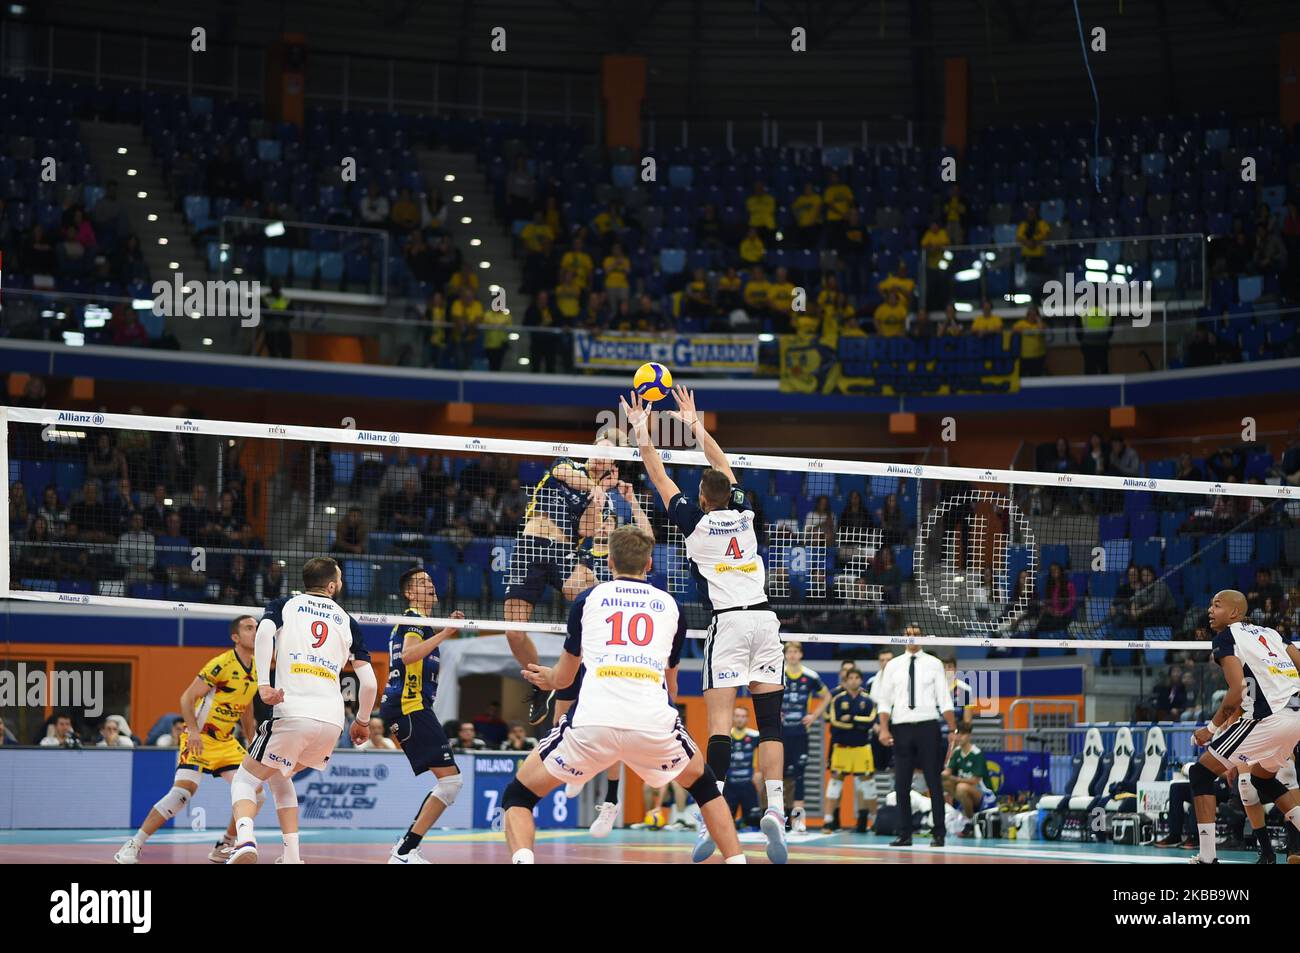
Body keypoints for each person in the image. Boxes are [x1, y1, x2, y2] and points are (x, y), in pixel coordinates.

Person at [508, 525, 745, 864]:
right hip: (652, 720)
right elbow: (672, 685)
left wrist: (548, 678)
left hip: (591, 722)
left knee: (518, 796)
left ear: (609, 563)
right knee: (706, 789)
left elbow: (565, 677)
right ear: (649, 564)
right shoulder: (671, 606)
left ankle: (523, 858)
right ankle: (737, 860)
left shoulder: (588, 599)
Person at [625, 386, 789, 863]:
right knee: (770, 724)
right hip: (765, 619)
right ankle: (775, 809)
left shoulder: (693, 523)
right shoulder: (744, 512)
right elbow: (721, 464)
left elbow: (656, 474)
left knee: (720, 728)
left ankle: (709, 818)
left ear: (701, 497)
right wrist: (696, 423)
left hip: (730, 625)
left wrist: (641, 429)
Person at [227, 557, 376, 864]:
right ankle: (292, 857)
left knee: (245, 780)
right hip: (331, 722)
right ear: (333, 585)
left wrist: (263, 684)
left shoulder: (284, 605)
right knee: (281, 776)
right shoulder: (348, 620)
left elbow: (264, 633)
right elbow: (370, 684)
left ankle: (244, 841)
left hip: (293, 712)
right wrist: (362, 721)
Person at [115, 616, 263, 864]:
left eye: (257, 628)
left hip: (226, 742)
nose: (255, 632)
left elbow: (246, 708)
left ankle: (224, 845)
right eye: (249, 628)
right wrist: (193, 731)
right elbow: (186, 698)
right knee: (182, 794)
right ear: (235, 637)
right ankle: (133, 845)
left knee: (256, 793)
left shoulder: (258, 667)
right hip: (200, 738)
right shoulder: (221, 664)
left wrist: (251, 740)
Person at [504, 427, 626, 726]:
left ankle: (595, 668)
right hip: (530, 547)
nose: (599, 457)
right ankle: (539, 684)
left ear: (615, 465)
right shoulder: (567, 463)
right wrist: (593, 487)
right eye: (597, 450)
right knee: (513, 632)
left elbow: (587, 530)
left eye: (607, 455)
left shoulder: (606, 501)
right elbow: (565, 475)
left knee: (596, 599)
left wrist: (599, 498)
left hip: (563, 553)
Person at [1187, 590, 1300, 864]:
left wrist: (1210, 730)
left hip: (1266, 717)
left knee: (1200, 773)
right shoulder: (1271, 633)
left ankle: (1207, 857)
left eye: (1217, 605)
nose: (1210, 611)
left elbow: (1236, 691)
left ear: (1235, 612)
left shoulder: (1226, 637)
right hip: (1295, 714)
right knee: (1262, 779)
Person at [381, 566, 467, 864]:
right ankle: (404, 851)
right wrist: (446, 632)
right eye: (421, 583)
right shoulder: (414, 621)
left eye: (431, 581)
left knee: (450, 782)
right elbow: (408, 656)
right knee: (451, 782)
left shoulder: (422, 623)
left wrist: (442, 628)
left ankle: (405, 849)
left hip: (412, 706)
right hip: (408, 706)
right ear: (408, 593)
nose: (429, 585)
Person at [873, 638, 958, 846]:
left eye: (916, 633)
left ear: (921, 637)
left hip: (928, 726)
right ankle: (905, 834)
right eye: (908, 633)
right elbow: (885, 701)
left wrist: (953, 728)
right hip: (901, 727)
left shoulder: (934, 663)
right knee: (901, 784)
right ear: (903, 637)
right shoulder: (893, 665)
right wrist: (883, 729)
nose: (912, 637)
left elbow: (944, 698)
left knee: (933, 781)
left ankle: (939, 833)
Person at [781, 641, 830, 832]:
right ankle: (783, 820)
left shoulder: (810, 676)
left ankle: (799, 821)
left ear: (801, 654)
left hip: (801, 733)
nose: (792, 655)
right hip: (781, 732)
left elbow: (827, 696)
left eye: (795, 652)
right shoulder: (778, 673)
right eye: (789, 652)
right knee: (782, 776)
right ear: (785, 654)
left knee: (799, 776)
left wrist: (814, 715)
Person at [823, 667, 878, 833]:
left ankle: (875, 822)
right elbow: (834, 721)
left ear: (861, 680)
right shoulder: (837, 699)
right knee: (834, 784)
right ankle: (828, 821)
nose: (853, 680)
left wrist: (851, 719)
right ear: (845, 681)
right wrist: (857, 725)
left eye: (856, 678)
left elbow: (870, 721)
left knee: (869, 786)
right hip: (842, 748)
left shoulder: (868, 700)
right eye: (850, 678)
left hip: (862, 748)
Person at [1237, 749, 1299, 863]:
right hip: (1249, 736)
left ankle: (1295, 848)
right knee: (1246, 785)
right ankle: (1267, 853)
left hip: (1280, 733)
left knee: (1287, 773)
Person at [723, 706, 763, 830]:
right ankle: (737, 824)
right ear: (733, 718)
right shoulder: (726, 735)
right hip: (730, 785)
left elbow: (766, 752)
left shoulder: (755, 735)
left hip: (748, 784)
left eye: (743, 716)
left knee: (754, 823)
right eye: (737, 716)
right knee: (725, 823)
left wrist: (760, 772)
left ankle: (743, 823)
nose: (740, 719)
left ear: (747, 718)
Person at [944, 724, 995, 821]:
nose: (959, 737)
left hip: (983, 793)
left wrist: (956, 779)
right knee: (942, 783)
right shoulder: (957, 752)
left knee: (961, 787)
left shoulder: (977, 753)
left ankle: (970, 820)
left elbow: (975, 781)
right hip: (964, 790)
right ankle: (950, 814)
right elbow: (947, 772)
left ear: (969, 736)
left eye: (963, 734)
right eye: (958, 734)